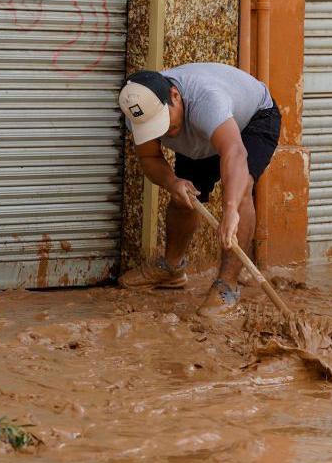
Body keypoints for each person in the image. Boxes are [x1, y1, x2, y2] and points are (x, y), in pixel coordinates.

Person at [117, 63, 280, 317]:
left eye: (164, 123)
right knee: (184, 196)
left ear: (175, 96)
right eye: (155, 129)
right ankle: (172, 269)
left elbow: (234, 152)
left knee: (241, 191)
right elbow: (149, 158)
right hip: (199, 136)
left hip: (252, 120)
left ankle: (227, 286)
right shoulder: (139, 111)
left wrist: (229, 210)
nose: (165, 133)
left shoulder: (207, 100)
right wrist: (173, 182)